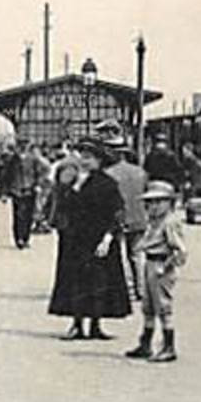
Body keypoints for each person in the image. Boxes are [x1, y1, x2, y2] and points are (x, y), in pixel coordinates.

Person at [47, 137, 132, 340]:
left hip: (99, 241)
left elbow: (117, 212)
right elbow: (63, 207)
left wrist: (108, 238)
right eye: (83, 157)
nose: (85, 161)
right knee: (76, 282)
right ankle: (77, 324)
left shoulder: (108, 184)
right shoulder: (74, 182)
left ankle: (95, 325)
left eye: (90, 158)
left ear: (100, 160)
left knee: (99, 284)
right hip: (76, 241)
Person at [126, 180, 189, 362]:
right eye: (150, 203)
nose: (153, 206)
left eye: (159, 202)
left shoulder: (169, 223)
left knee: (163, 306)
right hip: (150, 262)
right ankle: (145, 343)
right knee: (148, 306)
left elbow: (181, 251)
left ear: (170, 203)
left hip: (161, 264)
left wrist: (167, 266)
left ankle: (168, 346)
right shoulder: (154, 222)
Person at [96, 120, 148, 301]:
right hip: (139, 218)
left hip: (117, 219)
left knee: (118, 254)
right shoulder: (140, 172)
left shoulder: (108, 174)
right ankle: (141, 290)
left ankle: (124, 289)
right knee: (137, 255)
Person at [2, 141, 45, 249]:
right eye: (21, 146)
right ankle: (19, 239)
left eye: (25, 146)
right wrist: (4, 193)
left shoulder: (33, 159)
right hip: (16, 190)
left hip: (30, 190)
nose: (22, 148)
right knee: (18, 215)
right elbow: (6, 175)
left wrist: (38, 185)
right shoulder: (12, 160)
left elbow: (39, 173)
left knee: (29, 215)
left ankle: (26, 238)